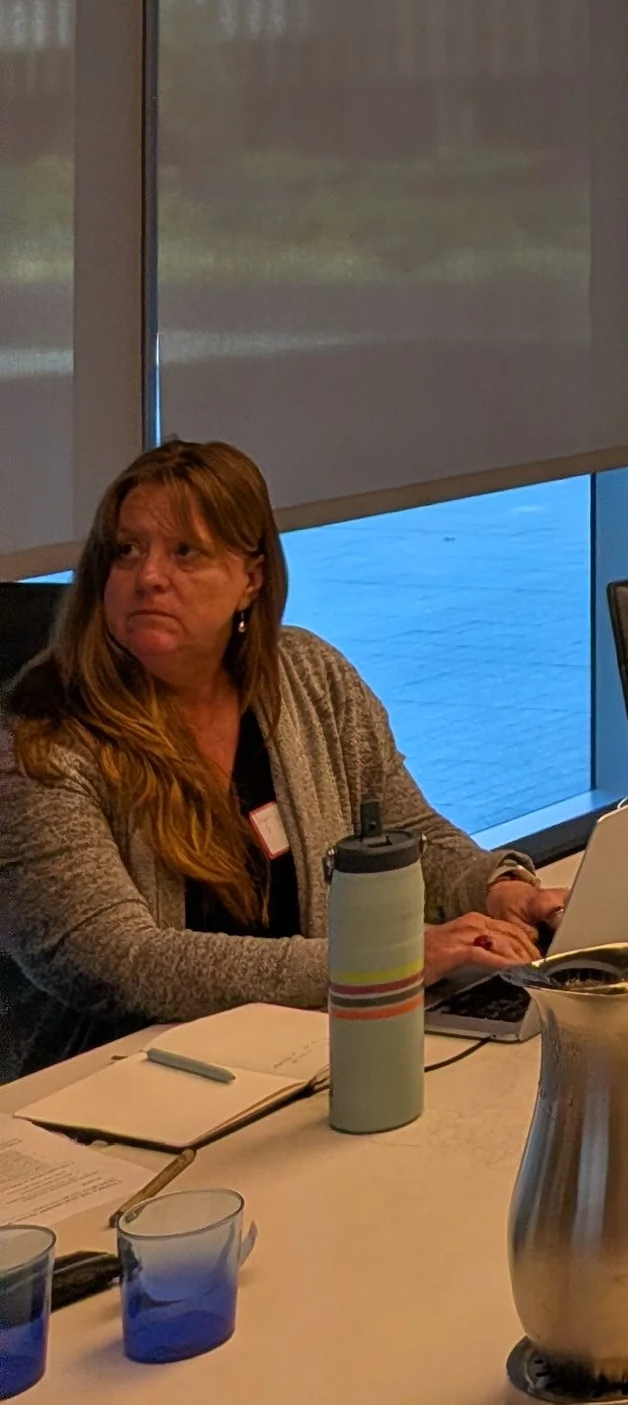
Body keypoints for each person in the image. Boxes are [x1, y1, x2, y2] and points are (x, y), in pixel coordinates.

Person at [0, 441, 560, 1082]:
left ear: (252, 578)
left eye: (185, 552)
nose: (148, 576)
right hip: (111, 1088)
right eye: (126, 550)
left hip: (300, 1056)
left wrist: (498, 889)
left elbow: (408, 835)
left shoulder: (309, 679)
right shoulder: (42, 738)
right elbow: (117, 961)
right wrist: (376, 963)